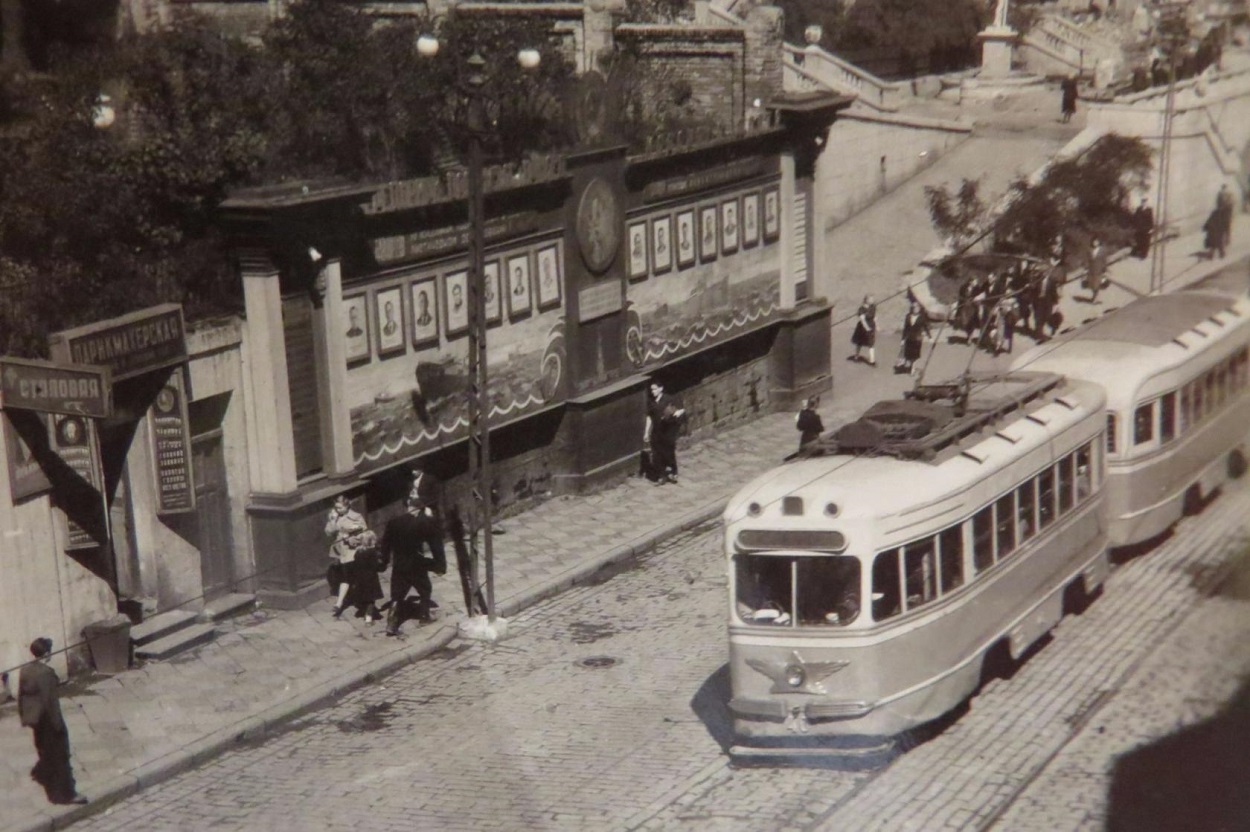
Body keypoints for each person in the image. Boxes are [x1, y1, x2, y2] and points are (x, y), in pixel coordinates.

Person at [19, 638, 87, 805]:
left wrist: (25, 717)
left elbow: (22, 696)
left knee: (45, 754)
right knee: (60, 757)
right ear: (46, 654)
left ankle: (53, 787)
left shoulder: (25, 670)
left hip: (36, 721)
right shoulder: (46, 673)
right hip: (49, 721)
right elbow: (50, 703)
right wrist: (59, 727)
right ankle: (66, 795)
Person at [380, 472, 447, 636]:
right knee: (425, 589)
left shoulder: (394, 523)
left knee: (397, 594)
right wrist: (440, 565)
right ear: (419, 509)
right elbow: (436, 543)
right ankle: (424, 616)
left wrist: (384, 561)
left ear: (408, 507)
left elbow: (385, 544)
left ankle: (391, 623)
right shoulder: (424, 523)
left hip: (399, 564)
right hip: (416, 562)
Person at [324, 496, 368, 618]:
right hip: (342, 552)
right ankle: (339, 603)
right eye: (336, 508)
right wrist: (333, 520)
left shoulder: (356, 517)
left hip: (354, 552)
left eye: (340, 508)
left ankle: (362, 603)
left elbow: (365, 533)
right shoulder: (334, 516)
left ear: (347, 506)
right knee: (346, 577)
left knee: (354, 577)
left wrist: (352, 538)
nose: (337, 510)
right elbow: (328, 532)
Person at [644, 381, 685, 485]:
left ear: (660, 389)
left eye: (654, 389)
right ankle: (662, 475)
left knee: (668, 452)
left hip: (668, 430)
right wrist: (646, 432)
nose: (652, 391)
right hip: (656, 430)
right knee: (657, 454)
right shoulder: (651, 402)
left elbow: (680, 410)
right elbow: (649, 416)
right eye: (651, 389)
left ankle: (673, 472)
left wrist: (674, 414)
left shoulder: (668, 399)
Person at [899, 299, 932, 376]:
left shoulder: (922, 318)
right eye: (914, 308)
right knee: (908, 354)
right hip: (909, 338)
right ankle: (908, 364)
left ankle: (912, 369)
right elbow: (906, 328)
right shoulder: (908, 316)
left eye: (917, 308)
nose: (915, 309)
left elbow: (926, 327)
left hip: (917, 338)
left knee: (915, 355)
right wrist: (903, 339)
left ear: (919, 309)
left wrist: (930, 337)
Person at [850, 295, 877, 366]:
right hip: (862, 328)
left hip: (871, 326)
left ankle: (872, 361)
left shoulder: (873, 307)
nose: (873, 300)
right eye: (871, 299)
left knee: (871, 343)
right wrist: (867, 328)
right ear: (867, 300)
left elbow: (874, 317)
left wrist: (877, 325)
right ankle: (856, 356)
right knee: (859, 342)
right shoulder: (861, 309)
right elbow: (863, 320)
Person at [1084, 238, 1107, 302]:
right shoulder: (1089, 250)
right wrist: (1086, 268)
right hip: (1091, 269)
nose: (1095, 243)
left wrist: (1104, 269)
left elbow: (1104, 260)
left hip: (1099, 269)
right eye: (1094, 242)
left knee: (1097, 284)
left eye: (1096, 241)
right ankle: (1095, 295)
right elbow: (1087, 260)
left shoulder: (1102, 250)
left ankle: (1095, 297)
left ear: (1099, 242)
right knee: (1092, 284)